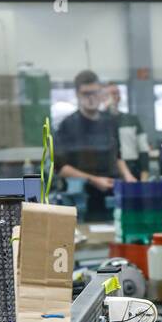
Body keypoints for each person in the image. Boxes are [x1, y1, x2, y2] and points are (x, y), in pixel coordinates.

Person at [54, 69, 136, 220]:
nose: (91, 98)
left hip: (112, 194)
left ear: (100, 92)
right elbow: (61, 168)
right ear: (78, 94)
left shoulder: (110, 121)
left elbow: (117, 156)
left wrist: (128, 176)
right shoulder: (67, 125)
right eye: (86, 94)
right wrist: (93, 179)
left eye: (95, 92)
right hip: (81, 199)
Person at [103, 82, 150, 181]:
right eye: (108, 94)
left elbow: (143, 149)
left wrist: (144, 176)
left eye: (115, 93)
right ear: (102, 97)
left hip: (132, 169)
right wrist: (105, 110)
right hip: (108, 172)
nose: (112, 97)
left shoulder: (132, 120)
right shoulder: (99, 122)